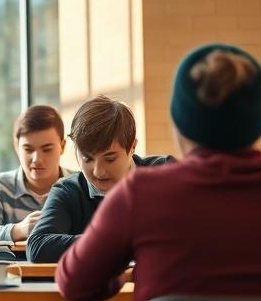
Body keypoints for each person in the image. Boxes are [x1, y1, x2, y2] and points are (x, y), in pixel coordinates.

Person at [58, 44, 261, 301]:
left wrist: (125, 272)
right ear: (260, 123)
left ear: (178, 124)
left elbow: (74, 284)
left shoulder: (141, 194)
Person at [26, 96, 172, 263]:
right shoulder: (68, 191)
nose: (98, 171)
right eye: (87, 159)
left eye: (110, 159)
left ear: (132, 146)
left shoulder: (164, 173)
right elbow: (38, 247)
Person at [0, 105, 72, 243]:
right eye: (28, 149)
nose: (37, 159)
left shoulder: (81, 185)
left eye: (47, 150)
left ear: (62, 146)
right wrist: (18, 230)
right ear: (17, 147)